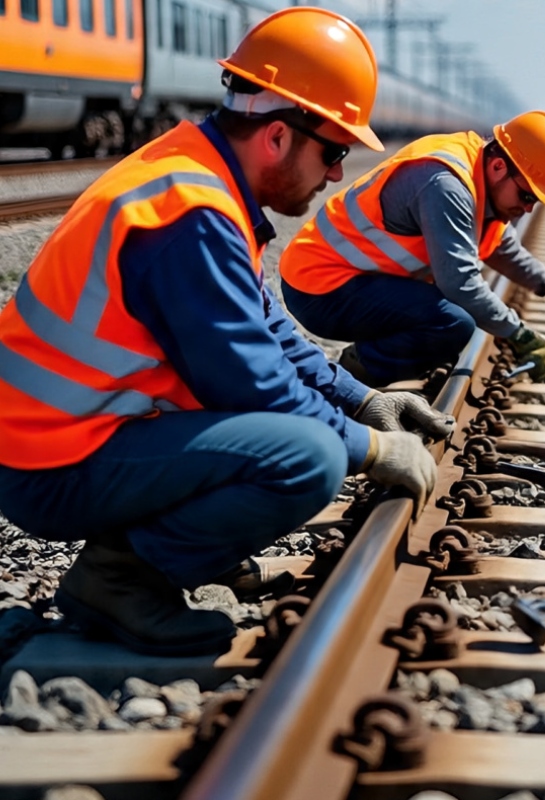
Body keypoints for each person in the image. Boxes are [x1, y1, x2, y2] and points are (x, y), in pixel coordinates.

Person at [0, 8, 453, 657]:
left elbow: (264, 324)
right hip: (51, 463)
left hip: (69, 434)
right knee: (308, 458)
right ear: (276, 136)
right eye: (334, 152)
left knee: (303, 434)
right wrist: (370, 449)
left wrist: (361, 399)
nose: (334, 175)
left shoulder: (196, 178)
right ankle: (119, 579)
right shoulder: (189, 215)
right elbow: (254, 382)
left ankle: (186, 554)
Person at [278, 110, 545, 385]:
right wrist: (520, 334)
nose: (529, 208)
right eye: (527, 196)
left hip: (351, 281)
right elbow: (460, 283)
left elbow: (504, 250)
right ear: (497, 167)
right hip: (319, 287)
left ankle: (379, 361)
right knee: (453, 321)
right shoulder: (446, 185)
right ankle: (353, 376)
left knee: (453, 316)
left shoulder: (481, 184)